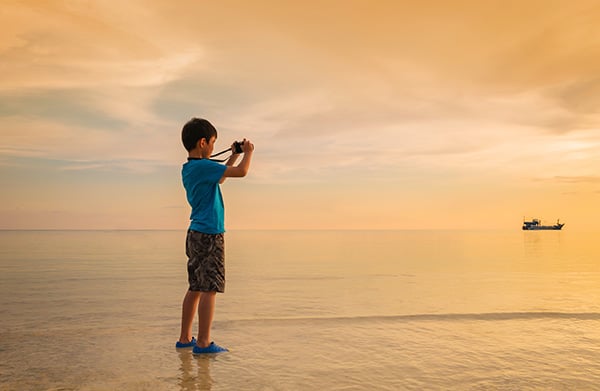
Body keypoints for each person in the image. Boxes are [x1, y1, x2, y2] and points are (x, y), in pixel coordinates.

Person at [175, 117, 254, 354]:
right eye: (212, 143)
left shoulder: (190, 168)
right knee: (210, 288)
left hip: (195, 233)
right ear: (202, 143)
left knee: (196, 287)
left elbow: (220, 176)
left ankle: (185, 338)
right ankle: (203, 342)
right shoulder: (204, 166)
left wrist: (233, 154)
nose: (212, 147)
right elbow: (241, 173)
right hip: (210, 232)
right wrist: (248, 152)